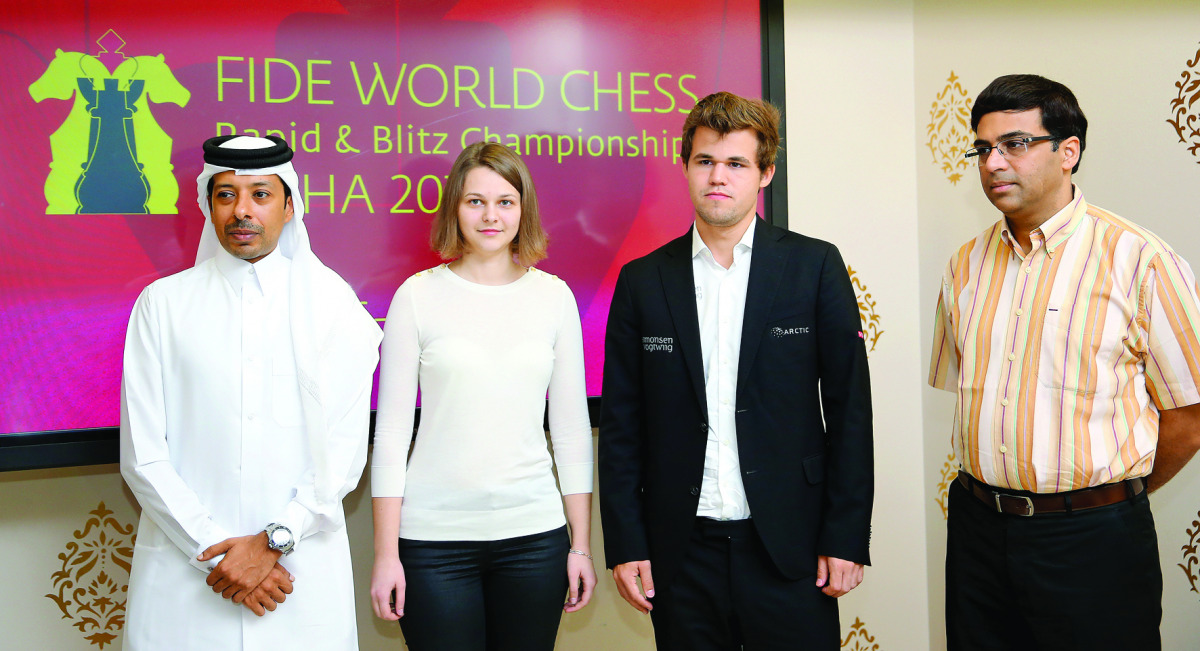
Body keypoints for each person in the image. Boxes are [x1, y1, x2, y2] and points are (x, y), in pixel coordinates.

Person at [929, 74, 1200, 651]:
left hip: (1093, 540)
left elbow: (1191, 414)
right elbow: (966, 392)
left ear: (1068, 151)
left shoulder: (1140, 260)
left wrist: (1104, 499)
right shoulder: (963, 266)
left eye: (1015, 143)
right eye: (983, 148)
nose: (993, 163)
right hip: (978, 532)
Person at [598, 91, 874, 650]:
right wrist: (627, 543)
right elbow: (623, 428)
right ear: (686, 167)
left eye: (736, 164)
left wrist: (846, 535)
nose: (717, 177)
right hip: (681, 549)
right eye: (704, 161)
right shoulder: (642, 281)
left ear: (765, 173)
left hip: (791, 546)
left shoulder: (815, 266)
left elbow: (850, 410)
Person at [120, 135, 382, 649]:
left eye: (260, 194)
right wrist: (218, 554)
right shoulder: (162, 305)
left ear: (289, 206)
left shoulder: (334, 307)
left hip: (297, 575)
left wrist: (271, 543)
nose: (242, 211)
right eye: (226, 195)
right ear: (207, 205)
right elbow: (143, 456)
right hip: (186, 576)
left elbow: (344, 452)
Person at [369, 142, 596, 650]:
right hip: (433, 544)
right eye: (475, 201)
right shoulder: (416, 296)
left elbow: (572, 433)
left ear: (524, 209)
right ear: (454, 207)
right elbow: (391, 437)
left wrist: (580, 547)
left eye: (505, 201)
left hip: (535, 539)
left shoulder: (554, 297)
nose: (491, 215)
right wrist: (386, 555)